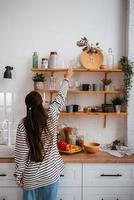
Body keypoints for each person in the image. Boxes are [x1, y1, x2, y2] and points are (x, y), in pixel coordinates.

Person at [14, 68, 73, 200]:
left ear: (27, 106)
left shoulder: (23, 124)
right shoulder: (51, 115)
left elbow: (21, 155)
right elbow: (60, 98)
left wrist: (18, 177)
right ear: (42, 102)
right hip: (50, 174)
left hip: (31, 177)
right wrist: (67, 78)